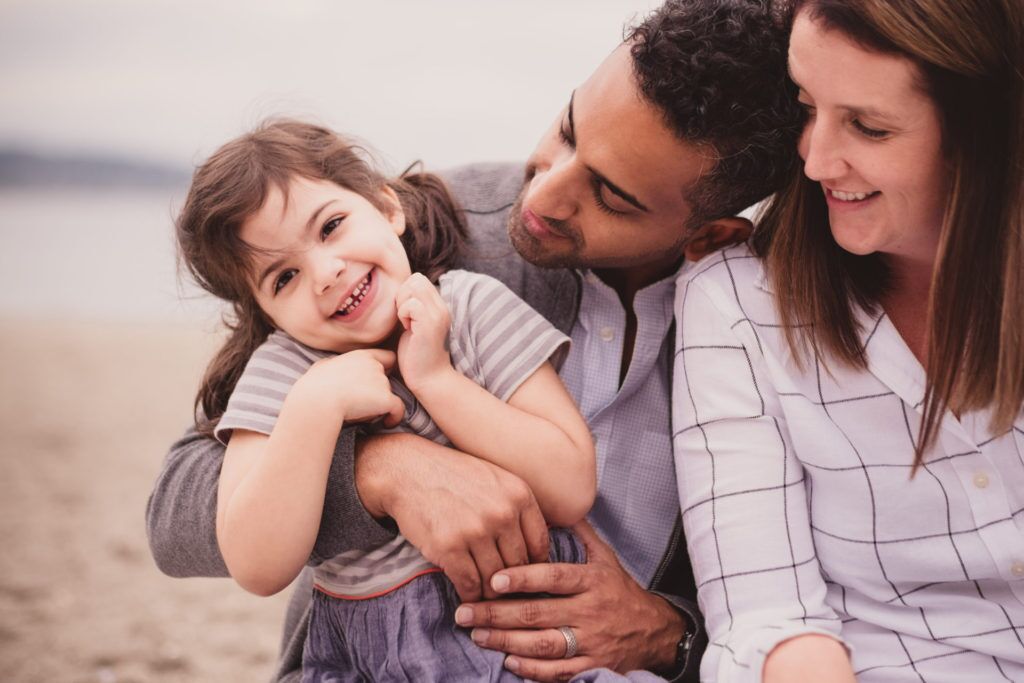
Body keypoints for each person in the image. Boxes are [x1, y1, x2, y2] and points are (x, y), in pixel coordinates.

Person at [146, 1, 801, 680]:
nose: (543, 194)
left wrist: (673, 636)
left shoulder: (764, 330)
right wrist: (382, 470)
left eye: (609, 194)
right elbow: (178, 511)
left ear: (710, 234)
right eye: (568, 130)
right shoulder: (438, 235)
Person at [673, 0, 1024, 681]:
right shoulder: (739, 301)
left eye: (868, 127)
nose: (815, 161)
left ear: (984, 133)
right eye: (806, 107)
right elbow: (767, 621)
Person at [174, 119, 597, 681]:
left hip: (514, 635)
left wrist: (438, 380)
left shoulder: (472, 310)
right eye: (283, 278)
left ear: (387, 208)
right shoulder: (284, 373)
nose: (324, 274)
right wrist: (313, 410)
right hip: (366, 656)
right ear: (265, 314)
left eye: (331, 227)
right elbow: (256, 564)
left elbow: (569, 485)